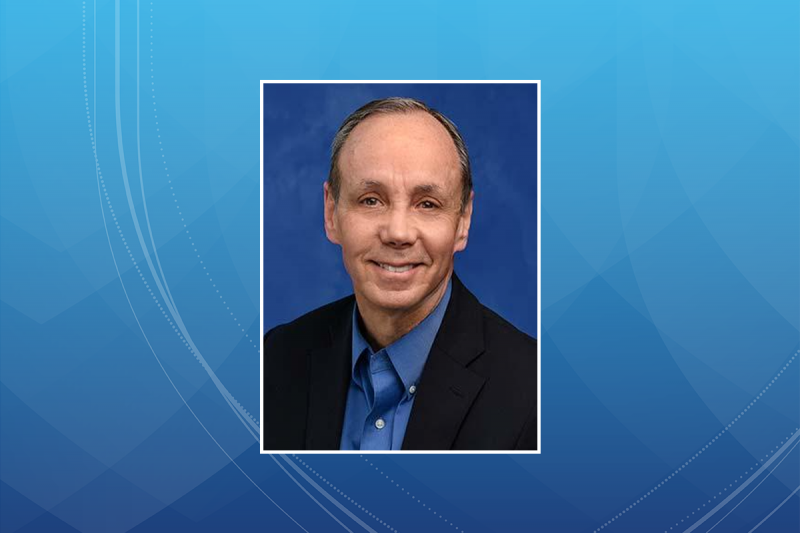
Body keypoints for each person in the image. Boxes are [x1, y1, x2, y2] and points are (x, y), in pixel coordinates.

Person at [262, 97, 537, 451]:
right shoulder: (275, 359)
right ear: (331, 213)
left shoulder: (536, 392)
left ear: (463, 222)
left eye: (427, 204)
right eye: (371, 200)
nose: (398, 232)